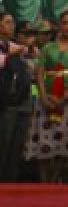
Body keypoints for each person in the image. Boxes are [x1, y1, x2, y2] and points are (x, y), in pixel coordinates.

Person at [24, 9, 68, 183]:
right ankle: (43, 181)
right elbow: (39, 72)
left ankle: (55, 181)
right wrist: (44, 96)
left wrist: (66, 96)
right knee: (44, 142)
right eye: (65, 22)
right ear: (59, 25)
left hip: (67, 100)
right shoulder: (48, 48)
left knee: (63, 144)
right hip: (46, 98)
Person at [0, 11, 34, 181]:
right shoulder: (8, 49)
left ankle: (10, 185)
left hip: (22, 102)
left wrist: (29, 49)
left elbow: (30, 53)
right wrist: (11, 54)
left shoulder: (13, 46)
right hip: (5, 105)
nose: (11, 25)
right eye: (7, 22)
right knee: (3, 147)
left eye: (12, 22)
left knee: (16, 148)